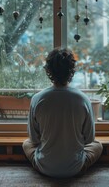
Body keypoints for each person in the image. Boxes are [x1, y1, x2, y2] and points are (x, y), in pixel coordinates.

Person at [22, 48, 103, 178]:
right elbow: (89, 139)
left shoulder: (37, 99)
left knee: (26, 143)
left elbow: (34, 139)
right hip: (75, 168)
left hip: (44, 167)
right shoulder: (83, 99)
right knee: (98, 145)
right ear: (71, 71)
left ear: (49, 70)